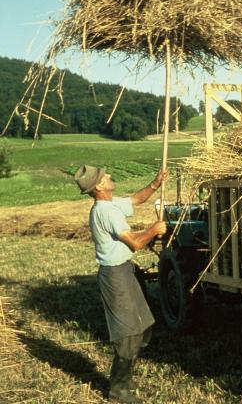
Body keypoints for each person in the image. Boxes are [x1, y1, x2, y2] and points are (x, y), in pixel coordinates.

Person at [74, 165, 168, 404]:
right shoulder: (106, 212)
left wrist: (155, 184)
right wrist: (153, 230)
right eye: (105, 176)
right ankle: (118, 387)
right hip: (114, 274)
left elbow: (136, 199)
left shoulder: (111, 204)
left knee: (144, 325)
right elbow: (136, 243)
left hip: (125, 270)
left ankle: (125, 373)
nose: (109, 176)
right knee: (128, 334)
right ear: (99, 187)